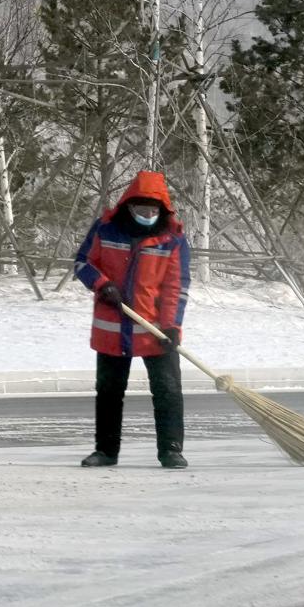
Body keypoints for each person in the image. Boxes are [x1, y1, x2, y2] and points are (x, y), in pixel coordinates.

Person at [74, 170, 191, 469]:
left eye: (153, 210)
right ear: (128, 206)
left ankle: (171, 450)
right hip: (113, 327)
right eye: (141, 209)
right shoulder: (106, 229)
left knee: (167, 390)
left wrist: (171, 326)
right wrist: (103, 285)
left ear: (162, 210)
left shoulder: (172, 239)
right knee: (109, 391)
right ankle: (106, 451)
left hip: (155, 328)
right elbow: (82, 262)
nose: (147, 215)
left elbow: (175, 286)